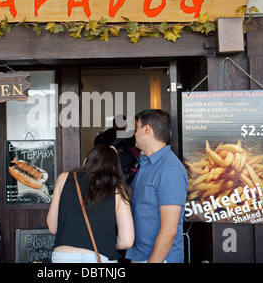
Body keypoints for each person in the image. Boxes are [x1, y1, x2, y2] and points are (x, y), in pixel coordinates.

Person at [47, 144, 134, 263]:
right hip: (98, 257)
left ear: (85, 161)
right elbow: (127, 241)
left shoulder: (63, 178)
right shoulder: (117, 191)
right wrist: (106, 242)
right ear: (115, 169)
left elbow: (52, 227)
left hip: (63, 256)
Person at [126, 109, 188, 263]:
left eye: (136, 128)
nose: (134, 134)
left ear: (147, 129)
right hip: (141, 255)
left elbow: (169, 230)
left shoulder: (169, 169)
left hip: (159, 259)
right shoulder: (147, 163)